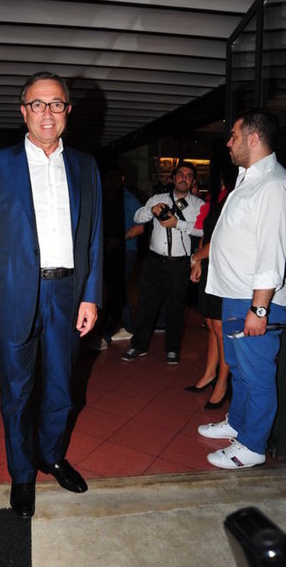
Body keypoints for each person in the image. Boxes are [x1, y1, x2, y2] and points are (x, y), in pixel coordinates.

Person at [0, 71, 103, 518]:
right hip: (12, 295)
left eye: (56, 104)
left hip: (67, 293)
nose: (47, 113)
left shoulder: (85, 165)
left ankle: (53, 456)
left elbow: (93, 238)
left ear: (67, 111)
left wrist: (90, 296)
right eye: (38, 104)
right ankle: (22, 474)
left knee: (62, 388)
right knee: (18, 393)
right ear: (23, 111)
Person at [198, 109, 286, 469]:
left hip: (255, 300)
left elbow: (271, 252)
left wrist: (259, 309)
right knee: (239, 368)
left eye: (233, 135)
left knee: (257, 373)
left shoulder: (272, 185)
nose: (228, 143)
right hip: (235, 295)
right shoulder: (249, 180)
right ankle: (237, 423)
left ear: (253, 138)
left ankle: (251, 446)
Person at [121, 161, 204, 364]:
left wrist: (178, 223)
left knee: (175, 308)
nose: (184, 178)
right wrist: (152, 210)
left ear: (193, 181)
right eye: (180, 174)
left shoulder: (199, 205)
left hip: (179, 264)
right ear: (173, 178)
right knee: (146, 305)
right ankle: (139, 345)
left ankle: (172, 349)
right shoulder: (158, 198)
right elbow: (137, 217)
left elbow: (203, 230)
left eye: (189, 176)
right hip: (154, 262)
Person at [186, 168, 230, 408]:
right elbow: (207, 232)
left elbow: (221, 241)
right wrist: (199, 261)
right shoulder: (217, 196)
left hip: (225, 267)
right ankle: (210, 374)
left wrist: (196, 257)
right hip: (211, 265)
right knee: (212, 324)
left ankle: (223, 383)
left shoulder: (233, 194)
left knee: (220, 327)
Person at [89, 163, 144, 350]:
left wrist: (119, 240)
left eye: (115, 177)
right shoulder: (104, 197)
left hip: (125, 250)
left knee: (114, 290)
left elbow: (140, 227)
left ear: (122, 179)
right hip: (108, 250)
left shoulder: (129, 199)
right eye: (108, 177)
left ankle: (105, 335)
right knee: (117, 290)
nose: (110, 181)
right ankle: (128, 327)